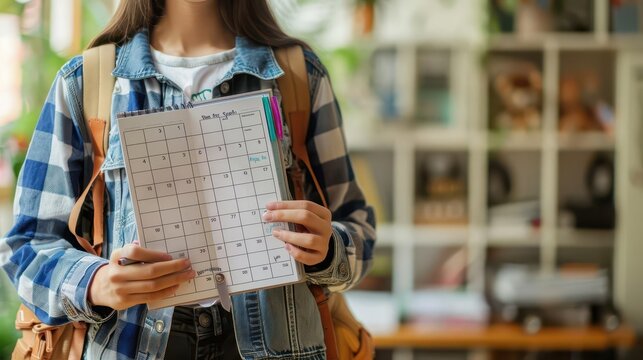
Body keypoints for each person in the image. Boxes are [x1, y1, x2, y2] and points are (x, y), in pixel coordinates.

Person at [0, 1, 376, 359]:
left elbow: (359, 228)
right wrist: (96, 283)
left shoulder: (299, 76)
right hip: (130, 343)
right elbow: (25, 247)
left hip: (277, 347)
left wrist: (328, 250)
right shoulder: (86, 82)